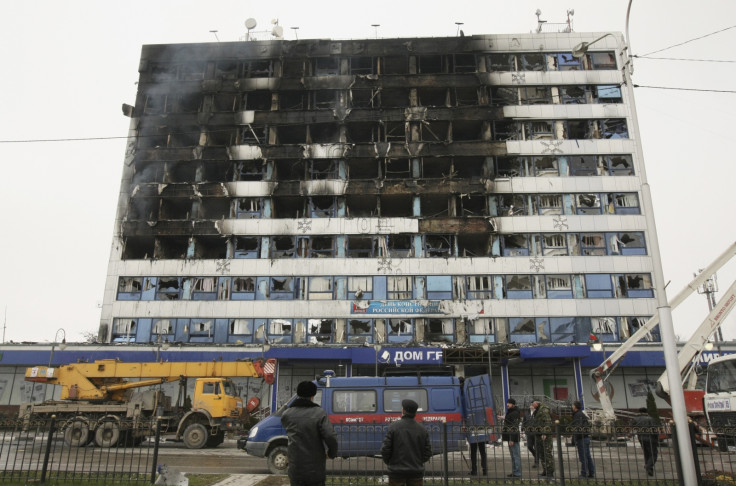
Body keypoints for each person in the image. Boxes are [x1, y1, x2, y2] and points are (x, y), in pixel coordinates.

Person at [281, 381, 338, 486]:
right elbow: (330, 436)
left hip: (295, 468)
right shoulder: (319, 413)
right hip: (315, 470)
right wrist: (331, 453)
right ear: (313, 396)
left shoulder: (287, 414)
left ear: (298, 394)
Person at [381, 399, 433, 486]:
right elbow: (427, 452)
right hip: (416, 472)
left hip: (396, 472)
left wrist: (390, 463)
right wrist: (418, 462)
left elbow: (385, 449)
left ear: (403, 411)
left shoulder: (393, 427)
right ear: (415, 413)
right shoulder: (422, 430)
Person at [571, 401, 595, 478]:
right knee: (588, 456)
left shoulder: (578, 415)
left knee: (583, 457)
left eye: (573, 405)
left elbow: (578, 427)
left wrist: (574, 438)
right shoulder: (580, 414)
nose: (572, 407)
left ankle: (583, 473)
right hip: (585, 437)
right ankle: (591, 472)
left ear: (575, 407)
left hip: (581, 438)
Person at [632, 407, 659, 477]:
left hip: (641, 438)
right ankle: (648, 466)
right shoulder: (650, 419)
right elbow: (654, 429)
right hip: (651, 438)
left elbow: (631, 426)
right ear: (647, 412)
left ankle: (649, 469)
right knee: (653, 454)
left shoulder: (636, 419)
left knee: (646, 453)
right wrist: (657, 437)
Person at [533, 400, 555, 478]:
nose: (532, 405)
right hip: (538, 435)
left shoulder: (544, 410)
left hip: (545, 435)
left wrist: (545, 432)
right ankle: (545, 471)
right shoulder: (537, 410)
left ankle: (550, 472)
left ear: (537, 403)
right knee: (542, 454)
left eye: (533, 403)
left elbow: (547, 421)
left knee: (547, 453)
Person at [502, 398, 522, 478]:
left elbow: (514, 426)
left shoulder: (514, 413)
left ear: (513, 404)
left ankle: (517, 473)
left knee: (515, 455)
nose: (507, 404)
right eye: (507, 403)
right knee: (513, 456)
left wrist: (512, 439)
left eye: (509, 403)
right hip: (510, 437)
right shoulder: (511, 412)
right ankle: (515, 471)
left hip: (513, 438)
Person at [524, 404, 539, 468]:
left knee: (536, 447)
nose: (531, 406)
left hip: (536, 433)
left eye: (533, 405)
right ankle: (535, 455)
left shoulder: (538, 413)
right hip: (529, 432)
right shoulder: (527, 413)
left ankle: (536, 462)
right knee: (529, 446)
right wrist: (523, 428)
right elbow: (524, 421)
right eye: (531, 405)